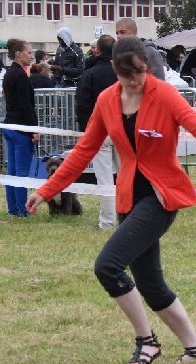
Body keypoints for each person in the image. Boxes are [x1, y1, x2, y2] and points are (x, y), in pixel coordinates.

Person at [25, 37, 196, 364]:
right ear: (114, 69)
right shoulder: (107, 100)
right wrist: (47, 191)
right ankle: (195, 349)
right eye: (126, 74)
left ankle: (146, 341)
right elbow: (83, 151)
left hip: (160, 197)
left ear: (147, 67)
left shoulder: (163, 94)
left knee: (107, 266)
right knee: (150, 284)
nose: (135, 81)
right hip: (128, 197)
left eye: (140, 72)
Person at [75, 34, 118, 230]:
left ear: (97, 50)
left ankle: (107, 221)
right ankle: (131, 218)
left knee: (104, 178)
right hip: (123, 130)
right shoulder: (123, 73)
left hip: (100, 133)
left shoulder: (89, 74)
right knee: (128, 176)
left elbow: (82, 105)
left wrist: (88, 132)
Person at [2, 38, 39, 217]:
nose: (31, 56)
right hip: (20, 128)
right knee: (21, 172)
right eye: (29, 52)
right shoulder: (21, 76)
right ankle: (23, 210)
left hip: (9, 125)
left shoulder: (10, 73)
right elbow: (26, 106)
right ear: (18, 53)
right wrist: (34, 130)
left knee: (12, 171)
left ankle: (14, 208)